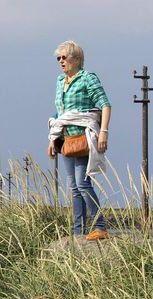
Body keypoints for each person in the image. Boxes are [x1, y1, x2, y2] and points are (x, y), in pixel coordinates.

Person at [47, 40, 112, 241]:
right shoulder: (60, 81)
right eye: (58, 58)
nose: (61, 61)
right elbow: (60, 112)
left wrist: (104, 132)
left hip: (83, 137)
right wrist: (52, 140)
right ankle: (78, 231)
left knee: (83, 183)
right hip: (66, 139)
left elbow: (105, 105)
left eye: (64, 57)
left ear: (76, 59)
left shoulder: (87, 79)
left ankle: (100, 226)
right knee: (74, 187)